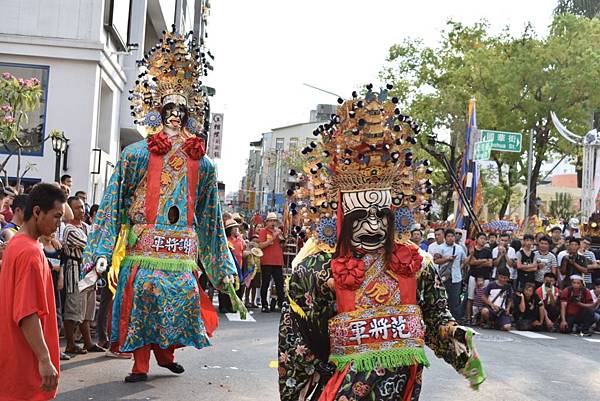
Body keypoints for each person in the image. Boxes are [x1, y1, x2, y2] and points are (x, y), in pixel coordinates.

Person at [278, 87, 485, 400]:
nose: (373, 224)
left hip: (401, 390)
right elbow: (298, 345)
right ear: (341, 216)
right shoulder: (315, 269)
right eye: (360, 215)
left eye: (381, 215)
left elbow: (437, 317)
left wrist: (453, 337)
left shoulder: (417, 265)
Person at [82, 30, 240, 383]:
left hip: (180, 249)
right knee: (142, 300)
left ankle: (166, 355)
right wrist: (102, 250)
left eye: (181, 110)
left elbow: (211, 218)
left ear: (189, 114)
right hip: (145, 247)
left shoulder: (203, 163)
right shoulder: (137, 155)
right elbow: (112, 203)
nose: (174, 116)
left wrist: (221, 264)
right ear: (158, 111)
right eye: (169, 109)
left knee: (177, 301)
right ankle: (140, 364)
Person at [0, 183, 66, 401]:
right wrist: (45, 359)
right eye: (56, 216)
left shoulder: (19, 243)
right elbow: (27, 313)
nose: (59, 223)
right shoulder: (29, 252)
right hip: (25, 362)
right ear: (37, 212)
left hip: (13, 356)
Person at [62, 196, 104, 356]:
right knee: (73, 309)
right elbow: (91, 245)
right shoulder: (69, 229)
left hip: (90, 271)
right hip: (76, 270)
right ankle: (70, 343)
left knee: (88, 309)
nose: (81, 210)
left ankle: (87, 342)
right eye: (77, 207)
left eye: (82, 207)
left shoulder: (87, 226)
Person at [434, 229, 467, 319]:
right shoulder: (440, 248)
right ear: (445, 238)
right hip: (444, 277)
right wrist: (447, 259)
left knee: (455, 300)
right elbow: (436, 261)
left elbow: (464, 260)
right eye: (448, 236)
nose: (450, 238)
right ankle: (442, 318)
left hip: (456, 277)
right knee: (443, 298)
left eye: (452, 236)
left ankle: (455, 319)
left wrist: (460, 268)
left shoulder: (459, 248)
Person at [258, 212, 286, 313]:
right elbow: (260, 245)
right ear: (267, 222)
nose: (273, 223)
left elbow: (282, 245)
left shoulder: (278, 231)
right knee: (265, 283)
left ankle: (281, 303)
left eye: (274, 221)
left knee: (279, 284)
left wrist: (282, 237)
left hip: (278, 261)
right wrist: (272, 239)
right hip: (266, 261)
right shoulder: (263, 231)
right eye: (271, 221)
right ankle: (264, 304)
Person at [466, 232, 493, 324]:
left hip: (485, 277)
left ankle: (482, 319)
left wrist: (478, 262)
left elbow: (490, 263)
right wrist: (483, 261)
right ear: (476, 239)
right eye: (481, 238)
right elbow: (471, 262)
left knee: (484, 298)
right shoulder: (472, 250)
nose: (483, 240)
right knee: (471, 297)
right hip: (473, 276)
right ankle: (469, 318)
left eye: (484, 239)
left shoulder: (488, 251)